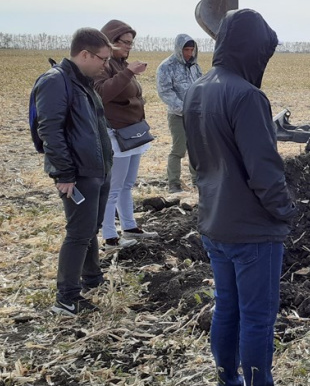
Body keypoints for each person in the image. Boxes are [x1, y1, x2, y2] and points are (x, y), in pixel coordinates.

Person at [182, 8, 307, 386]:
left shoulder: (198, 89)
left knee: (226, 310)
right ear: (253, 50)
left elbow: (198, 163)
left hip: (215, 223)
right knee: (256, 318)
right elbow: (265, 173)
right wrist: (288, 213)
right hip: (253, 232)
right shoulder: (247, 97)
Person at [36, 28, 114, 316]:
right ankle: (67, 298)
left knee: (89, 229)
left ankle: (93, 279)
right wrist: (65, 174)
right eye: (102, 59)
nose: (105, 65)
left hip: (97, 169)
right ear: (85, 54)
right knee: (78, 233)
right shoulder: (56, 82)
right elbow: (50, 131)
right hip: (78, 173)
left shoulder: (83, 82)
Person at [95, 20, 158, 248]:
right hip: (116, 134)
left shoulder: (121, 64)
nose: (129, 47)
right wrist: (129, 72)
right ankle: (110, 237)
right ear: (111, 40)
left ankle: (129, 226)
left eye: (131, 43)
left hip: (132, 133)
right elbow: (102, 93)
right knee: (114, 186)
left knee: (127, 183)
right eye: (125, 42)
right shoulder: (104, 65)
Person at [156, 33, 202, 193]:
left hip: (195, 115)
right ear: (178, 49)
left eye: (191, 49)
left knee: (196, 148)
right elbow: (165, 92)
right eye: (186, 49)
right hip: (177, 115)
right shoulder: (166, 67)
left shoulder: (195, 66)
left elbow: (201, 86)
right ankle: (174, 184)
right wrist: (184, 108)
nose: (189, 53)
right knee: (179, 149)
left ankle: (198, 181)